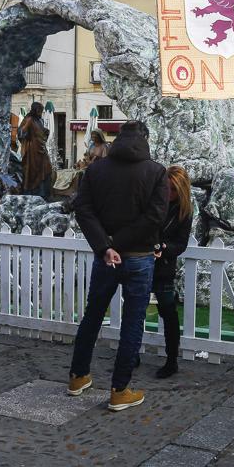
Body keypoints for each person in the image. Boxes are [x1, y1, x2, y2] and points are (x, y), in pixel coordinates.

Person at [68, 120, 168, 410]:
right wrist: (119, 243)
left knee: (93, 315)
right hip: (138, 255)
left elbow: (83, 209)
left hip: (106, 257)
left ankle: (78, 376)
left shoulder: (96, 169)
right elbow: (155, 216)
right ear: (145, 139)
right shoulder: (156, 171)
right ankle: (119, 389)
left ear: (117, 138)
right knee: (133, 321)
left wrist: (106, 246)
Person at [153, 165, 194, 379]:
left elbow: (181, 244)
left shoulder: (184, 212)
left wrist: (164, 248)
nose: (169, 193)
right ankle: (132, 354)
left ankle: (171, 360)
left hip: (164, 267)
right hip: (145, 261)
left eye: (173, 190)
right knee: (136, 309)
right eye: (167, 188)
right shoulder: (155, 201)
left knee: (168, 313)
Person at [18, 101, 53, 198]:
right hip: (32, 150)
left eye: (41, 111)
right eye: (40, 111)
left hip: (41, 148)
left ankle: (43, 193)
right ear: (35, 110)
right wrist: (26, 126)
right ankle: (33, 192)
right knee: (32, 171)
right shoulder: (28, 119)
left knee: (47, 168)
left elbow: (41, 134)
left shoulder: (39, 120)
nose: (41, 113)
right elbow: (21, 133)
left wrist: (45, 131)